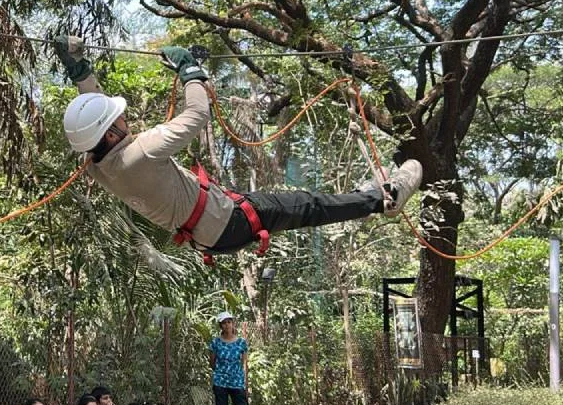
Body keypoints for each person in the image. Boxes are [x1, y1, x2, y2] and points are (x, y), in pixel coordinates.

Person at [54, 36, 422, 258]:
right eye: (118, 120)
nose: (125, 119)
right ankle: (383, 199)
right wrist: (189, 70)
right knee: (307, 205)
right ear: (112, 133)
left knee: (300, 205)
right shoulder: (142, 151)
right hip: (227, 220)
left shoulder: (97, 166)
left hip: (213, 229)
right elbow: (197, 113)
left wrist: (79, 71)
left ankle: (369, 198)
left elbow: (95, 123)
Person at [210, 311, 272, 405]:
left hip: (237, 383)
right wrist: (221, 372)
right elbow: (212, 362)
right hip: (220, 383)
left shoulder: (241, 343)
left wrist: (242, 380)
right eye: (224, 323)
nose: (227, 325)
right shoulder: (215, 342)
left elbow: (244, 363)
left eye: (229, 322)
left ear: (233, 323)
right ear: (220, 325)